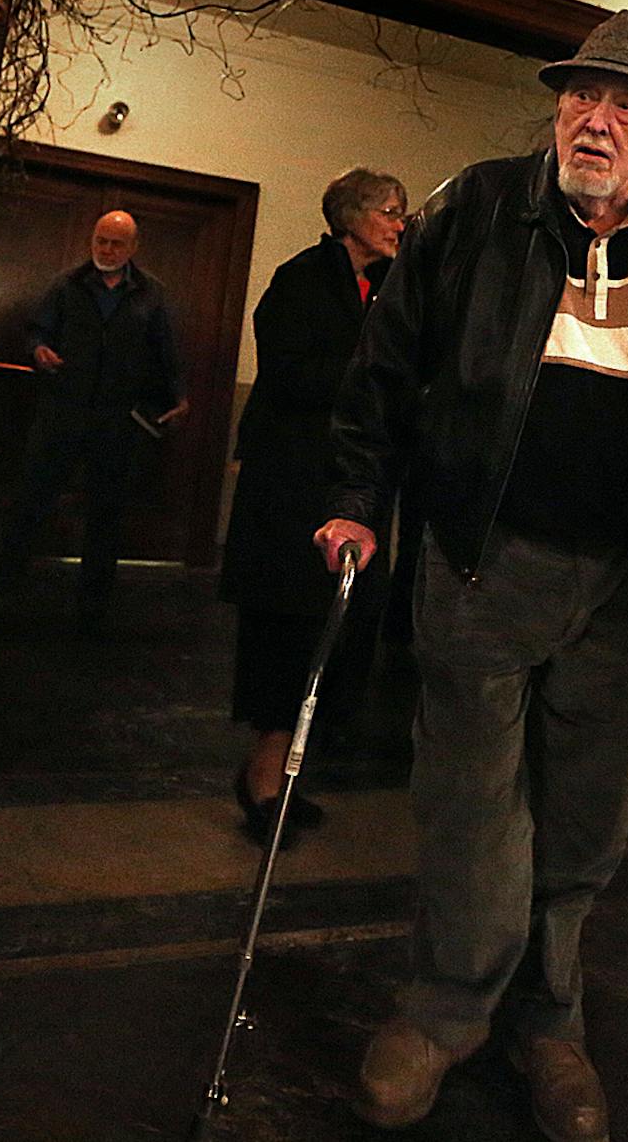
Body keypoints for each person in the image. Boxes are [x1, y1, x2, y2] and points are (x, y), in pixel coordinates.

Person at [314, 11, 628, 1140]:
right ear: (557, 107)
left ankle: (550, 1014)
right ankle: (446, 1007)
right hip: (485, 563)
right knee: (471, 799)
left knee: (587, 808)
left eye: (627, 104)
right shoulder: (475, 211)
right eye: (584, 95)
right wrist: (354, 497)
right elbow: (383, 370)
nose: (599, 118)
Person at [219, 169, 406, 846]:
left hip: (353, 487)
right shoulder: (299, 280)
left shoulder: (388, 288)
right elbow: (291, 376)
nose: (398, 224)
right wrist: (377, 378)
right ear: (351, 217)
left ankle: (293, 775)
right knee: (287, 633)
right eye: (390, 212)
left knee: (342, 633)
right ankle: (264, 776)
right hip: (291, 493)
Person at [7, 210, 188, 627]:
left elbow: (168, 351)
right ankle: (6, 595)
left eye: (116, 243)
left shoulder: (152, 294)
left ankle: (93, 608)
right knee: (31, 501)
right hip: (63, 410)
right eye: (100, 241)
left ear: (133, 248)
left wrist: (178, 396)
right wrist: (39, 352)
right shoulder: (66, 285)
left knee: (107, 514)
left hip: (116, 417)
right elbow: (36, 331)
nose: (106, 250)